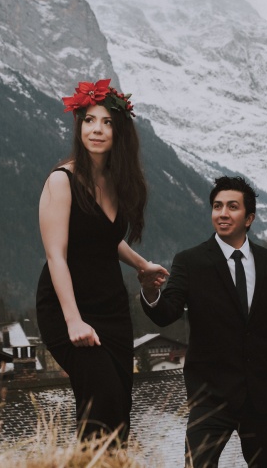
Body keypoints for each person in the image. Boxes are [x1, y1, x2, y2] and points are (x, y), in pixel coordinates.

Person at [141, 175, 267, 468]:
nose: (223, 213)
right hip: (210, 397)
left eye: (232, 207)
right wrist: (151, 291)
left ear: (249, 218)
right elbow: (167, 313)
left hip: (264, 398)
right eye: (217, 206)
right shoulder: (189, 262)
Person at [36, 78, 168, 444]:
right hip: (68, 307)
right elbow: (56, 255)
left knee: (119, 408)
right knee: (101, 402)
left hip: (112, 307)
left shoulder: (118, 181)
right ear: (79, 126)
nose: (96, 129)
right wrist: (73, 320)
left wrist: (141, 266)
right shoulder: (61, 181)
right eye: (89, 120)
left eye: (107, 122)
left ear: (119, 131)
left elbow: (105, 238)